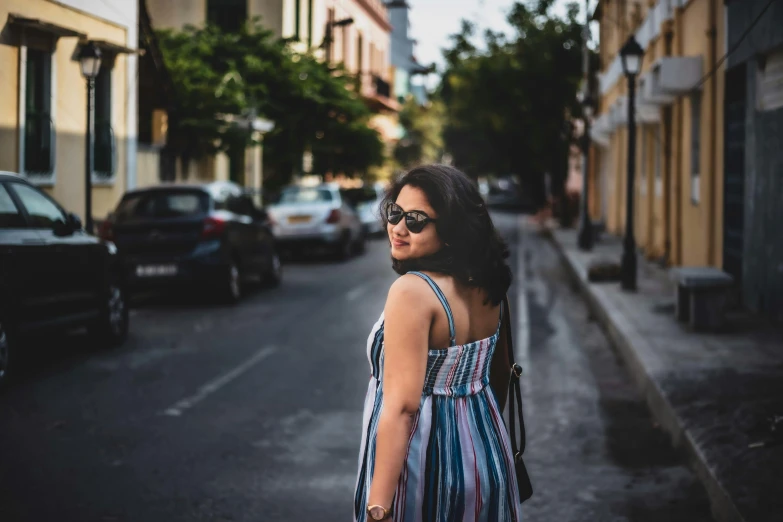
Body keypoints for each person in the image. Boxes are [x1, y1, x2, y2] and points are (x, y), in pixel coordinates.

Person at [354, 165, 522, 521]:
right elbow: (501, 373)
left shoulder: (412, 291)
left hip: (423, 463)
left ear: (450, 231)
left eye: (416, 220)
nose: (398, 228)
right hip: (486, 453)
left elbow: (402, 408)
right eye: (394, 213)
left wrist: (378, 508)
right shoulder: (490, 286)